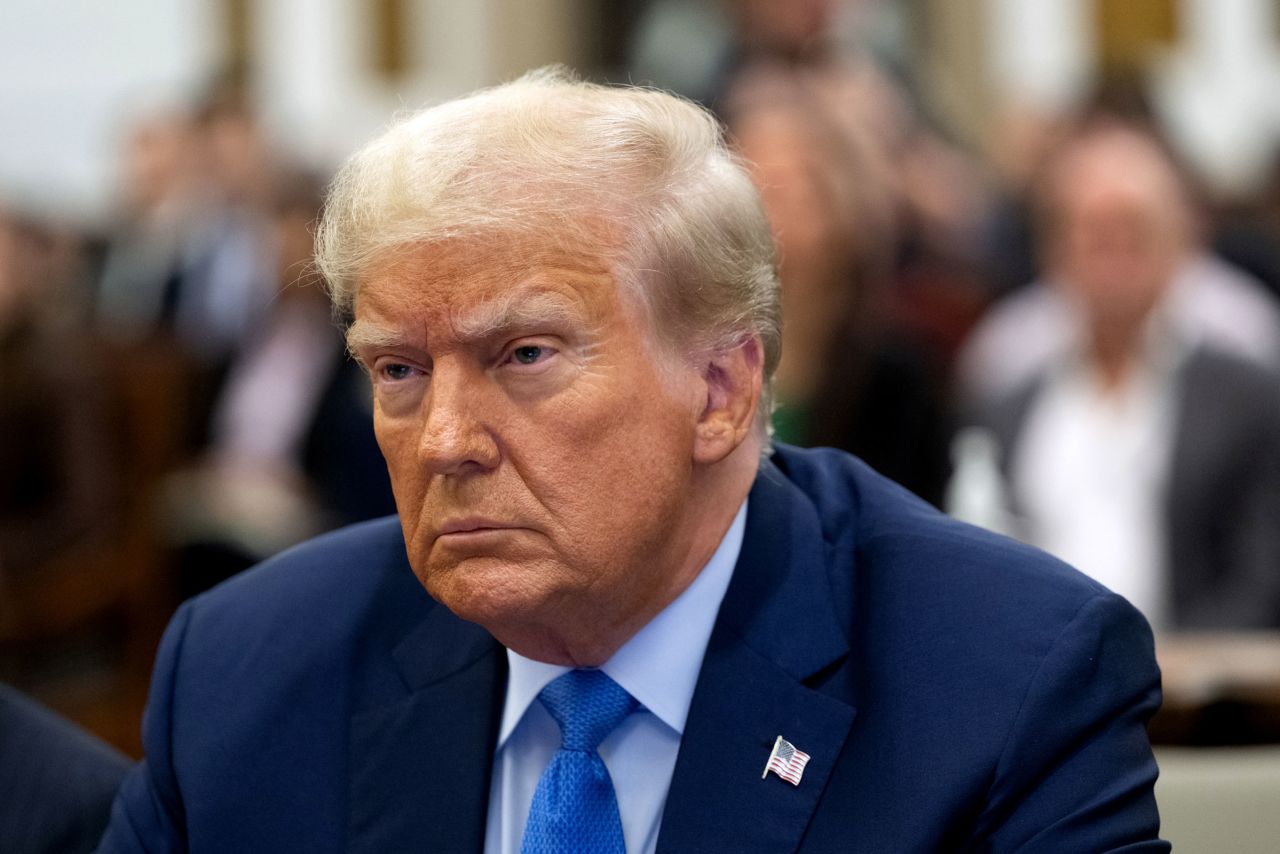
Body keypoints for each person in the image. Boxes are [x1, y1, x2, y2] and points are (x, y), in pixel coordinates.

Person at [97, 70, 1167, 852]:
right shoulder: (246, 678)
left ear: (720, 389)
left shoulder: (1003, 684)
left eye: (521, 354)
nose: (444, 439)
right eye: (398, 370)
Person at [958, 118, 1280, 631]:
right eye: (1093, 233)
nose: (1113, 257)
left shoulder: (1248, 396)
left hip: (1201, 690)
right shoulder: (1007, 400)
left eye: (1133, 230)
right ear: (1055, 249)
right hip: (1042, 689)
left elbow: (1260, 576)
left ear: (1180, 239)